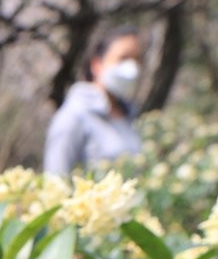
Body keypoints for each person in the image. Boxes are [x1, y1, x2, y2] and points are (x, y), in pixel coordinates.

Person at [43, 27, 143, 175]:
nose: (132, 68)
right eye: (123, 58)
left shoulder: (129, 115)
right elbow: (55, 180)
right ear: (96, 65)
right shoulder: (74, 115)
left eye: (137, 59)